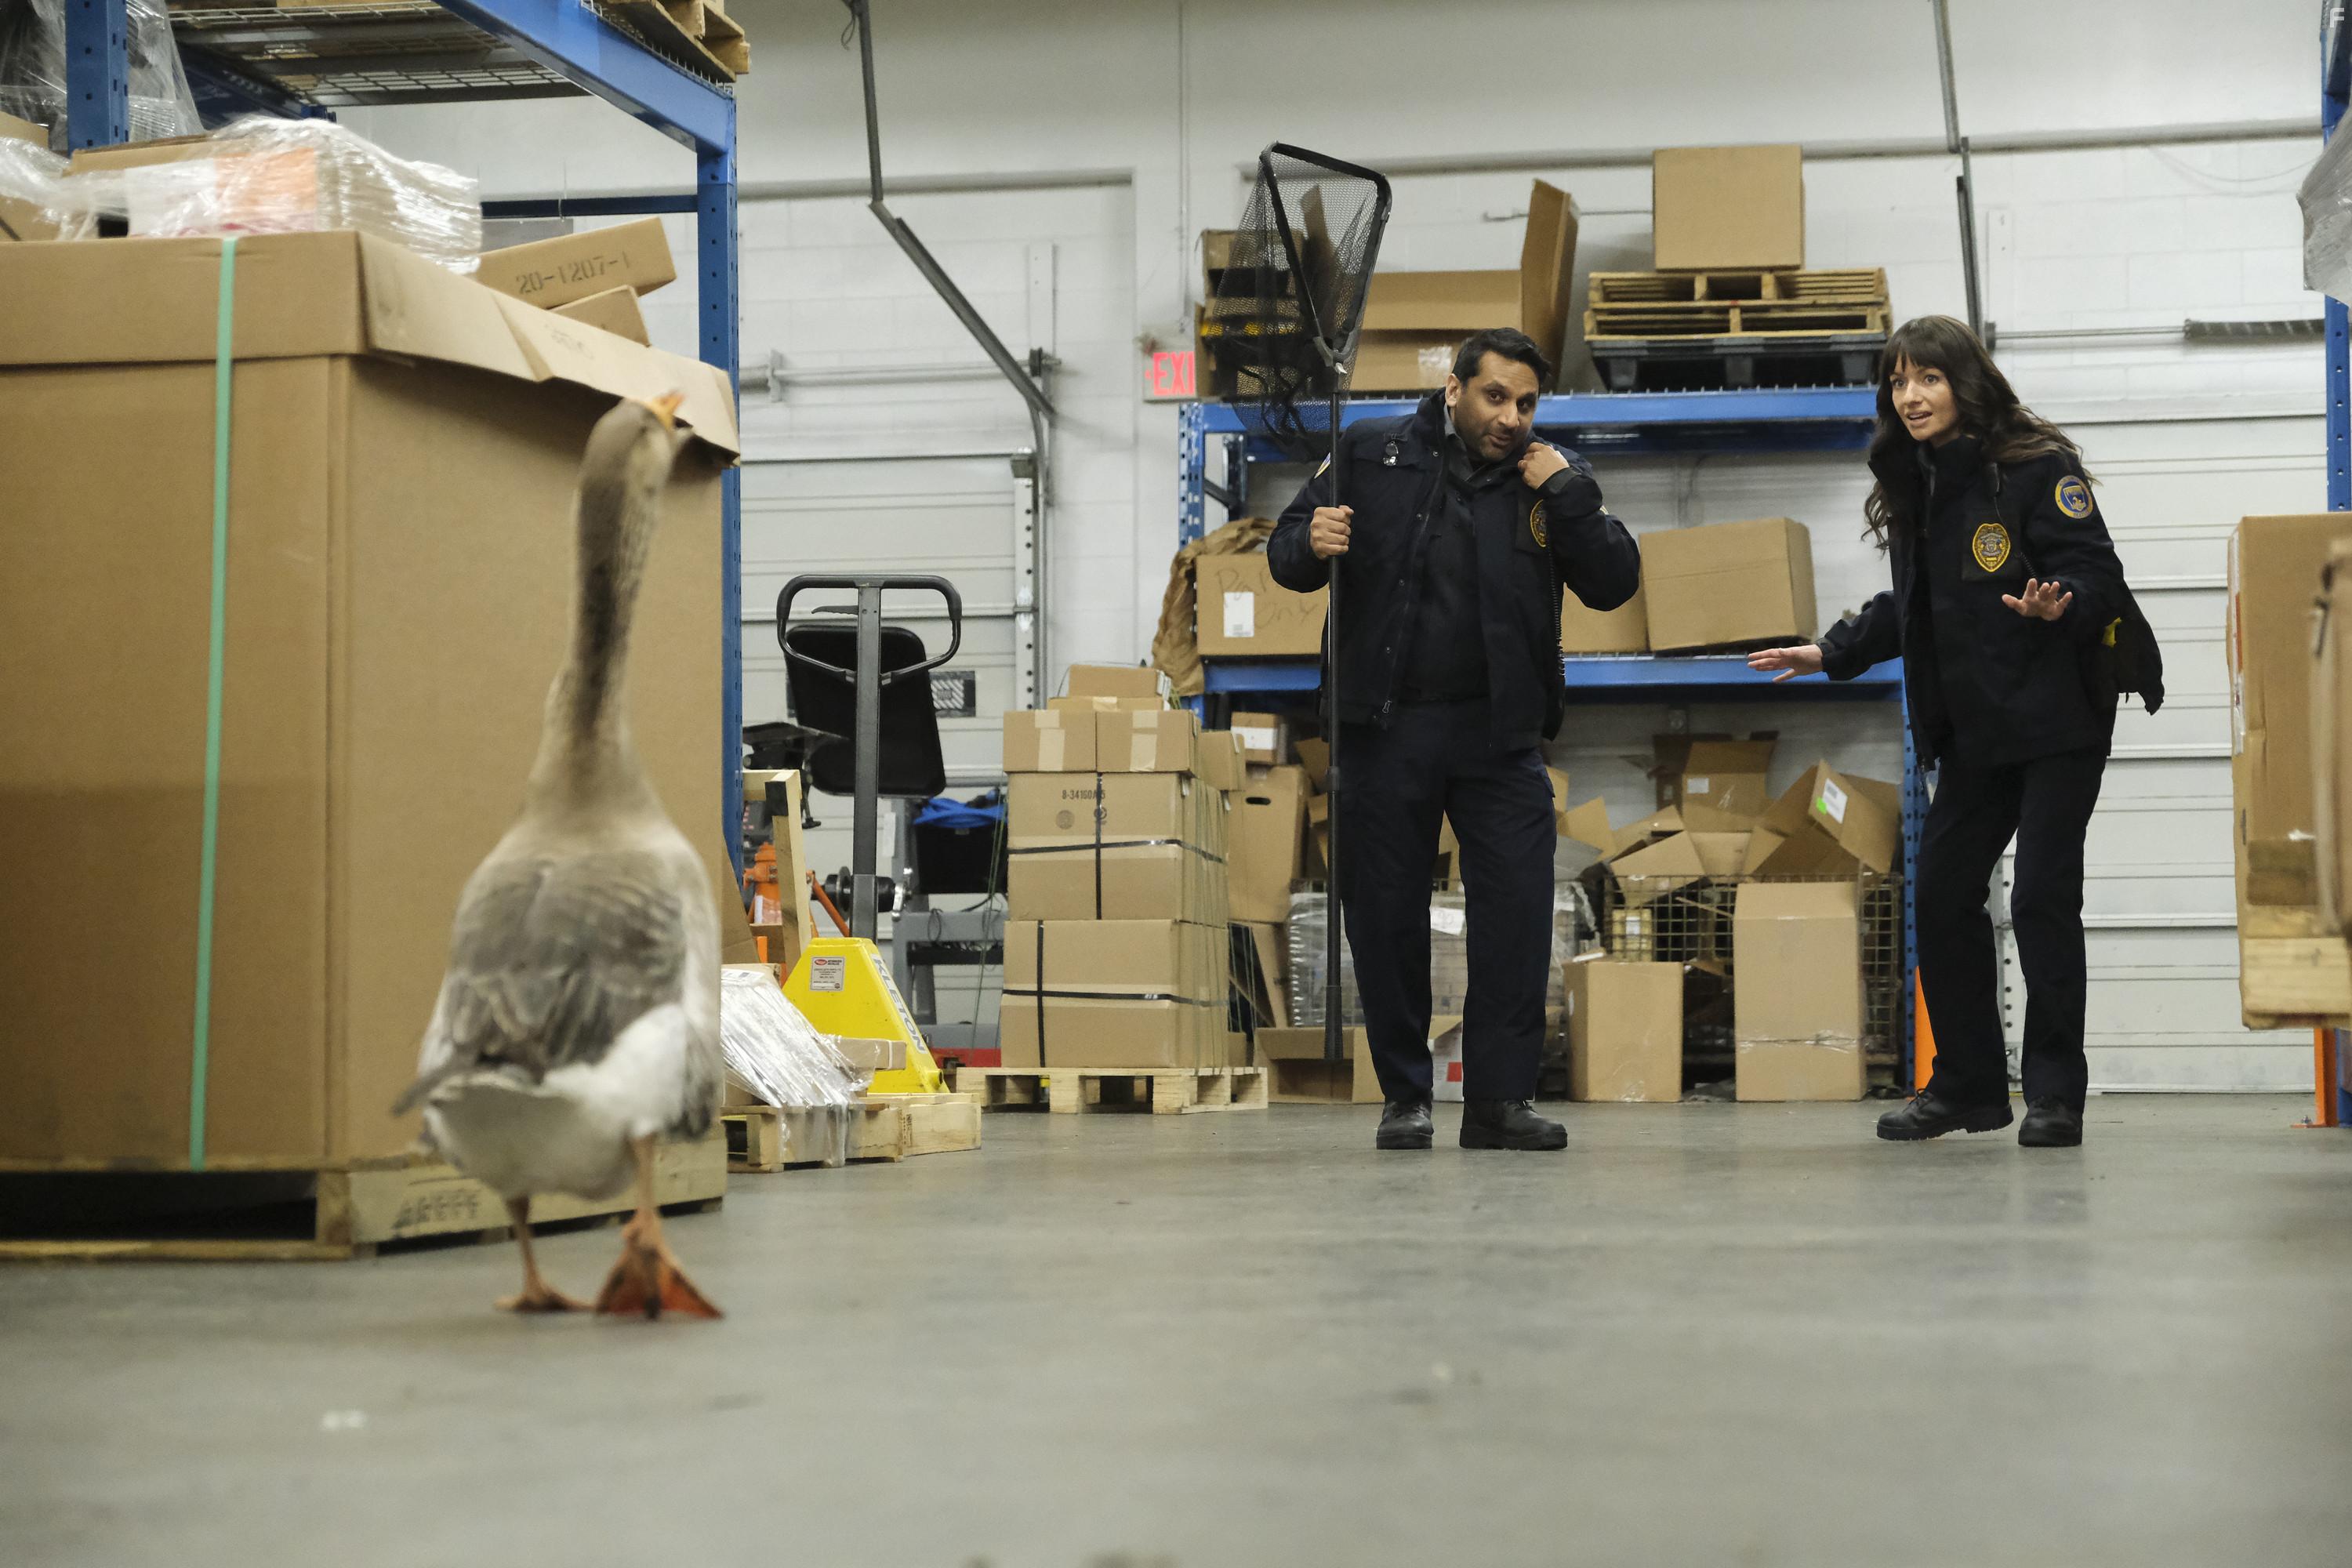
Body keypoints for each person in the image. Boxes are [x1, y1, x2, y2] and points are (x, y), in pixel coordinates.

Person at [1748, 314, 2153, 1149]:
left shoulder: (2037, 467)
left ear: (1964, 383)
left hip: (2059, 720)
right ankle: (1968, 1084)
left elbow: (2097, 573)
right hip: (1977, 727)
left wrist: (2060, 599)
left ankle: (2053, 1094)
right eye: (1898, 382)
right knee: (1939, 895)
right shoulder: (1919, 482)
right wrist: (1831, 650)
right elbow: (1915, 607)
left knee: (2041, 897)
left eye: (1926, 378)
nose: (1910, 395)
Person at [1268, 328, 1641, 1152]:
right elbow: (1287, 550)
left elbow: (1615, 582)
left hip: (1500, 736)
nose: (1512, 417)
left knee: (1514, 918)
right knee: (1386, 918)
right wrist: (1308, 543)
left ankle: (1499, 1103)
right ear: (1454, 391)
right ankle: (1406, 1096)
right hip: (1385, 728)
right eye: (1496, 396)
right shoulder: (1369, 453)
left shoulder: (1551, 477)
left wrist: (1572, 494)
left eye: (1527, 403)